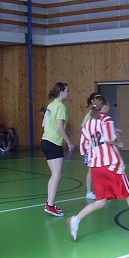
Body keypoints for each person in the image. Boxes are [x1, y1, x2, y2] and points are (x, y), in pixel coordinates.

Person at [67, 95, 129, 241]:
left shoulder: (88, 124)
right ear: (104, 106)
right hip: (111, 166)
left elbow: (83, 146)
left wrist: (94, 154)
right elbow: (109, 138)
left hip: (96, 167)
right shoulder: (106, 120)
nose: (109, 107)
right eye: (108, 104)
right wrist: (117, 142)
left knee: (100, 201)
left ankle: (76, 220)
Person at [41, 82, 75, 217]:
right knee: (57, 175)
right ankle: (50, 205)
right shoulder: (61, 106)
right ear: (61, 92)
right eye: (67, 91)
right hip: (54, 143)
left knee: (54, 175)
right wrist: (70, 142)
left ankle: (50, 203)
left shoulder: (51, 105)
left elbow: (43, 123)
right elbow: (60, 127)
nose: (69, 93)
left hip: (45, 141)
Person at [81, 92, 100, 200]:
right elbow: (84, 130)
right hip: (89, 148)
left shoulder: (98, 115)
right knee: (91, 169)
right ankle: (88, 192)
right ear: (93, 101)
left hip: (96, 147)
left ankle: (101, 190)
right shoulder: (89, 115)